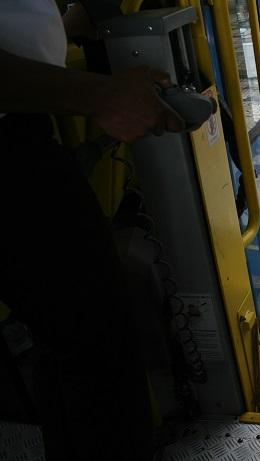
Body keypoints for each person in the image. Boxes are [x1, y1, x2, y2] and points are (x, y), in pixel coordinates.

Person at [0, 1, 183, 459]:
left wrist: (61, 28)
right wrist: (100, 96)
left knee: (71, 342)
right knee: (101, 350)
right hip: (10, 144)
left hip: (23, 129)